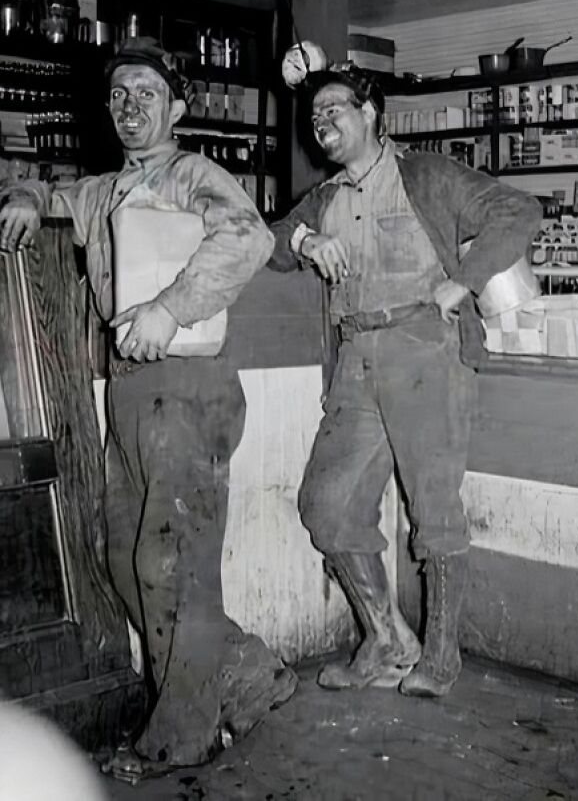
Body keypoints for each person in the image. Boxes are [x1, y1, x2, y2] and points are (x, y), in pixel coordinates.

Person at [0, 38, 297, 781]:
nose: (132, 107)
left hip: (189, 386)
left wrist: (171, 306)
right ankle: (250, 672)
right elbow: (52, 194)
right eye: (120, 96)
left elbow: (249, 235)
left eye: (148, 94)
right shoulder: (103, 186)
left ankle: (181, 737)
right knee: (122, 561)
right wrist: (29, 197)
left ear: (178, 109)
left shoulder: (193, 174)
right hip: (133, 390)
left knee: (172, 563)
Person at [268, 63, 541, 698]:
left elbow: (518, 209)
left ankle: (442, 657)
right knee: (326, 505)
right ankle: (386, 640)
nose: (323, 121)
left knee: (434, 508)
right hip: (355, 358)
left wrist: (466, 280)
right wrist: (307, 240)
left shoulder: (424, 174)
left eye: (335, 108)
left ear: (371, 114)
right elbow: (272, 239)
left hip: (426, 350)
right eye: (315, 116)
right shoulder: (327, 198)